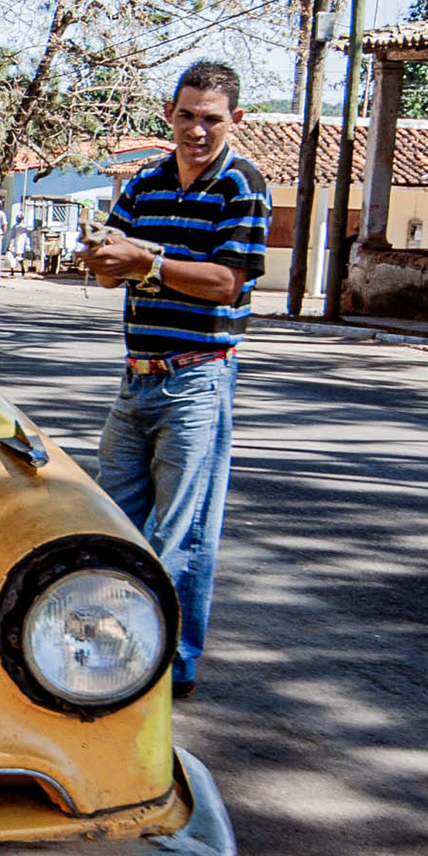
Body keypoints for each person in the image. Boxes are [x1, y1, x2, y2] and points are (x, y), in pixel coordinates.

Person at [79, 59, 268, 699]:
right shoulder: (145, 184)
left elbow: (227, 281)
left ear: (234, 122)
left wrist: (148, 262)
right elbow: (111, 269)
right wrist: (107, 256)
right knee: (113, 523)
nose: (196, 130)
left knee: (180, 534)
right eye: (186, 116)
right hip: (137, 379)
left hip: (198, 380)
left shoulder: (242, 185)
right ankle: (109, 647)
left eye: (210, 119)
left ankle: (171, 665)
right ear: (169, 116)